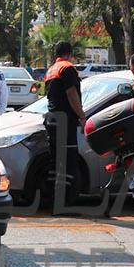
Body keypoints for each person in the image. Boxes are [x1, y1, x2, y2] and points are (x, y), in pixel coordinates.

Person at [44, 41, 85, 206]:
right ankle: (63, 202)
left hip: (52, 119)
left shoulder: (51, 70)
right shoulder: (67, 68)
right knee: (68, 162)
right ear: (70, 53)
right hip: (65, 121)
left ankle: (54, 200)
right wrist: (82, 116)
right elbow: (71, 94)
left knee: (55, 162)